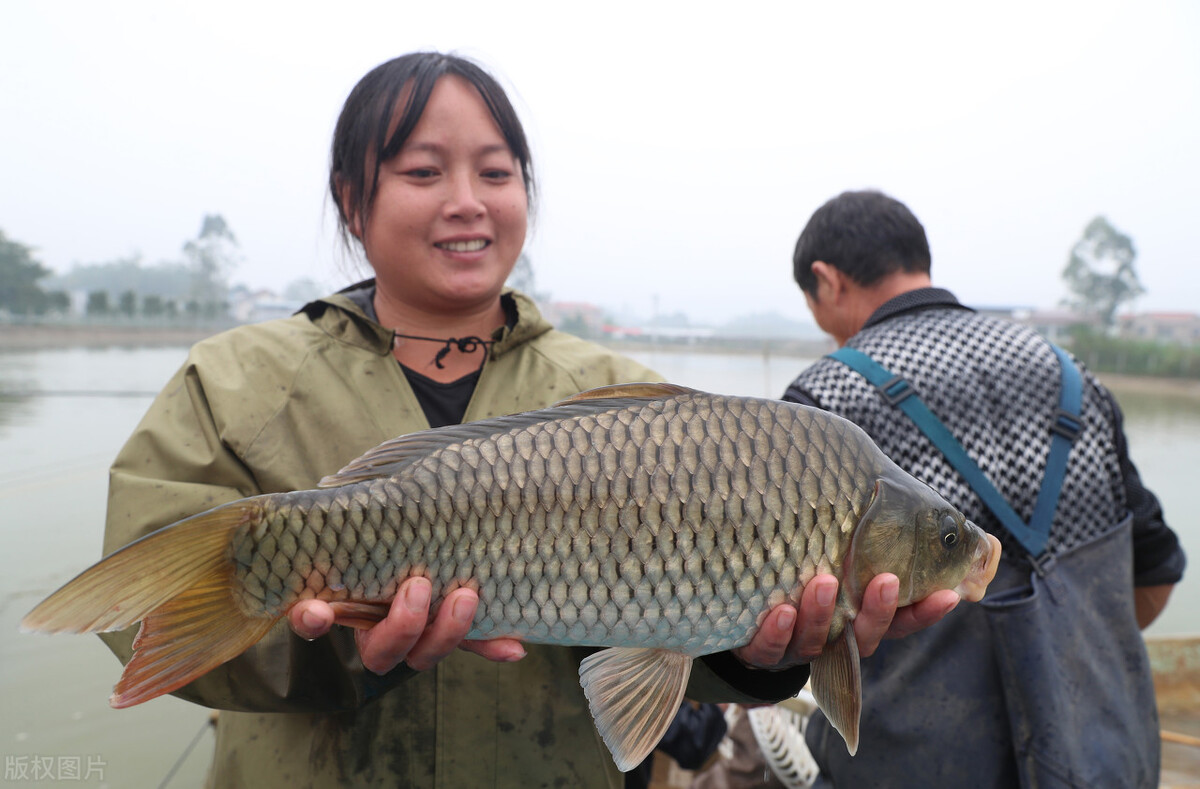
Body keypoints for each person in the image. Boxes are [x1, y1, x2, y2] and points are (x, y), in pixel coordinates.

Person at [96, 57, 945, 788]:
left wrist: (765, 657)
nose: (468, 201)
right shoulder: (233, 381)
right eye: (424, 172)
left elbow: (674, 641)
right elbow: (143, 611)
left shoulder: (624, 393)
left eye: (497, 174)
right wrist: (348, 638)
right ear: (352, 200)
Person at [782, 189, 1187, 788]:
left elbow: (794, 615)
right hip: (1102, 762)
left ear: (827, 280)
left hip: (910, 768)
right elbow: (1154, 576)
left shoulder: (824, 410)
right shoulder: (1075, 379)